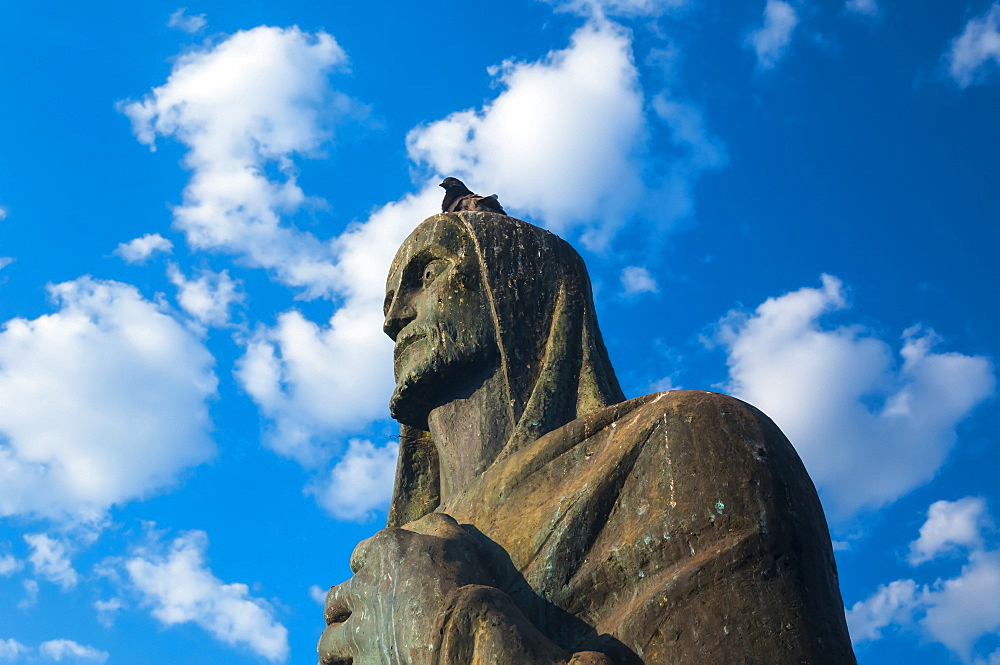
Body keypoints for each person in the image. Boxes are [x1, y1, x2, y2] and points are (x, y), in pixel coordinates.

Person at [318, 212, 857, 665]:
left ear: (519, 286)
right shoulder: (387, 566)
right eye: (389, 295)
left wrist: (454, 632)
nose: (392, 317)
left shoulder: (679, 443)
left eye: (429, 273)